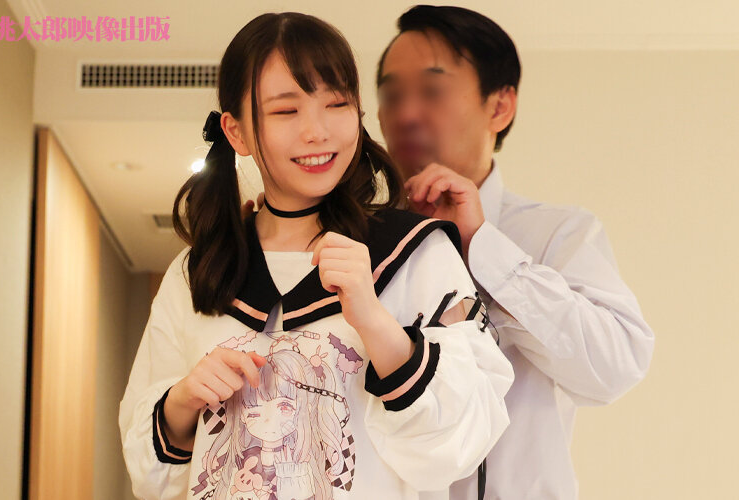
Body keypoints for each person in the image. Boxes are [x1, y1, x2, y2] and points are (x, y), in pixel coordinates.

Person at [119, 12, 514, 500]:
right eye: (287, 111)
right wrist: (183, 400)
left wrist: (373, 320)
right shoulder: (196, 271)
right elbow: (149, 473)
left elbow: (464, 442)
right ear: (236, 132)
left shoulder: (415, 252)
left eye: (337, 104)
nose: (317, 131)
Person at [375, 5, 655, 499]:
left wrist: (484, 248)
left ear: (500, 106)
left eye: (432, 91)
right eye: (392, 95)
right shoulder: (357, 243)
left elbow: (615, 368)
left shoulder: (560, 234)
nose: (405, 114)